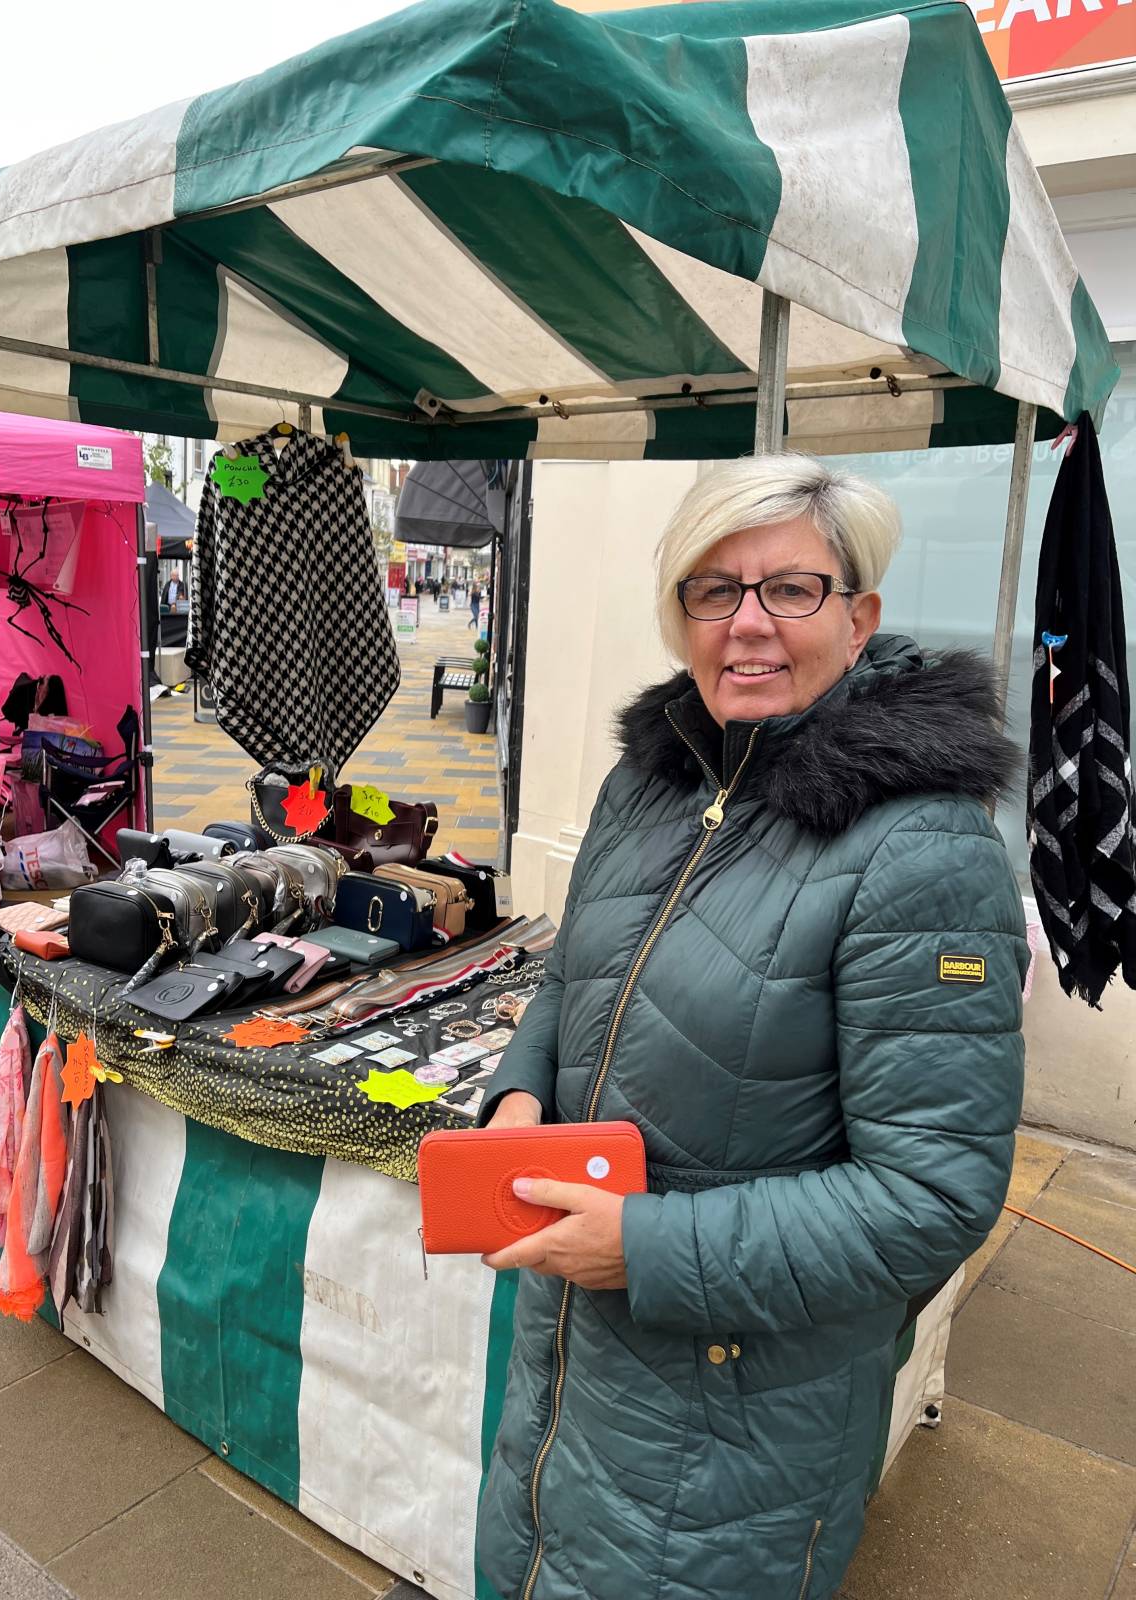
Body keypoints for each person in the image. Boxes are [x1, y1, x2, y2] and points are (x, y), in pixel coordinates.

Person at [476, 454, 1028, 1600]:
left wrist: (645, 1249)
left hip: (737, 1407)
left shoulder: (922, 848)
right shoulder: (653, 778)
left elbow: (934, 1195)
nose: (748, 626)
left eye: (792, 589)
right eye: (713, 591)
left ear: (860, 613)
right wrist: (523, 1092)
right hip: (571, 1358)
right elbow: (576, 976)